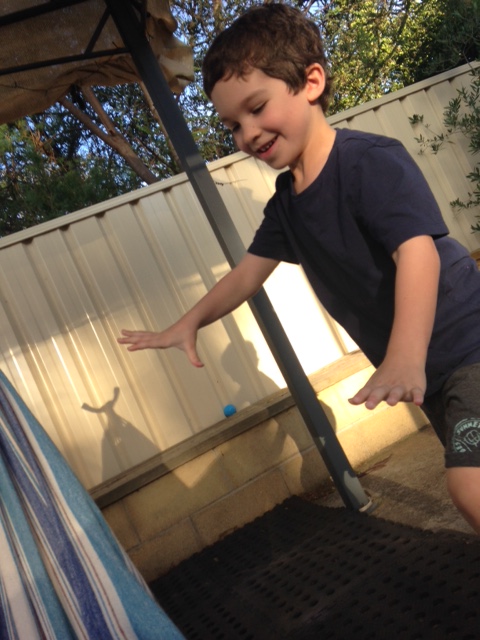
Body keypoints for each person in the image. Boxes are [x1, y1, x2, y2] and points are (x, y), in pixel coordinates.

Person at [118, 4, 480, 534]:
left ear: (311, 82)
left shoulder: (368, 161)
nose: (247, 133)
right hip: (433, 372)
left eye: (257, 108)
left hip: (468, 345)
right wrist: (189, 322)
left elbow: (417, 252)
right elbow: (246, 275)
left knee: (470, 484)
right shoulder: (286, 207)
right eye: (232, 125)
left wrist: (404, 355)